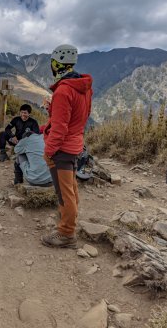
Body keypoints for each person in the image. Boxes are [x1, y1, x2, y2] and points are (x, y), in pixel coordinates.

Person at [41, 44, 93, 248]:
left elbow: (60, 129)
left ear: (56, 64)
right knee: (70, 188)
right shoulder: (83, 86)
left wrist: (48, 151)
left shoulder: (63, 91)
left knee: (64, 193)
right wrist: (51, 114)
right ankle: (67, 219)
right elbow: (77, 117)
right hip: (74, 144)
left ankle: (66, 233)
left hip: (62, 149)